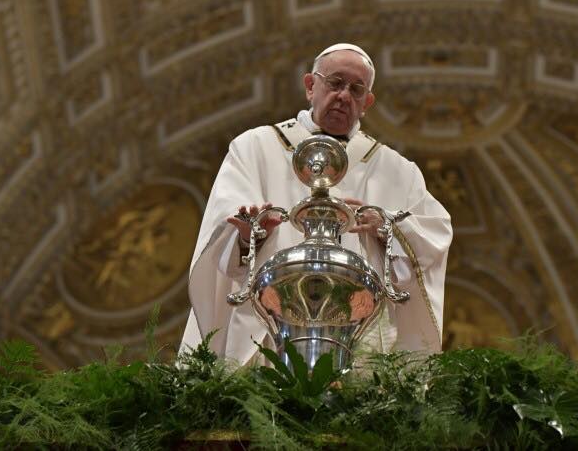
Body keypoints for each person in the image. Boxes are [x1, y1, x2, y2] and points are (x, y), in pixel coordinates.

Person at [179, 43, 453, 365]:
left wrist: (389, 227)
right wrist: (247, 237)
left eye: (356, 89)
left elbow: (435, 233)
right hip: (268, 327)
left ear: (367, 102)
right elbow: (224, 228)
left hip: (359, 338)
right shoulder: (255, 147)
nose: (344, 96)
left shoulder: (397, 170)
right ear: (311, 86)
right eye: (335, 83)